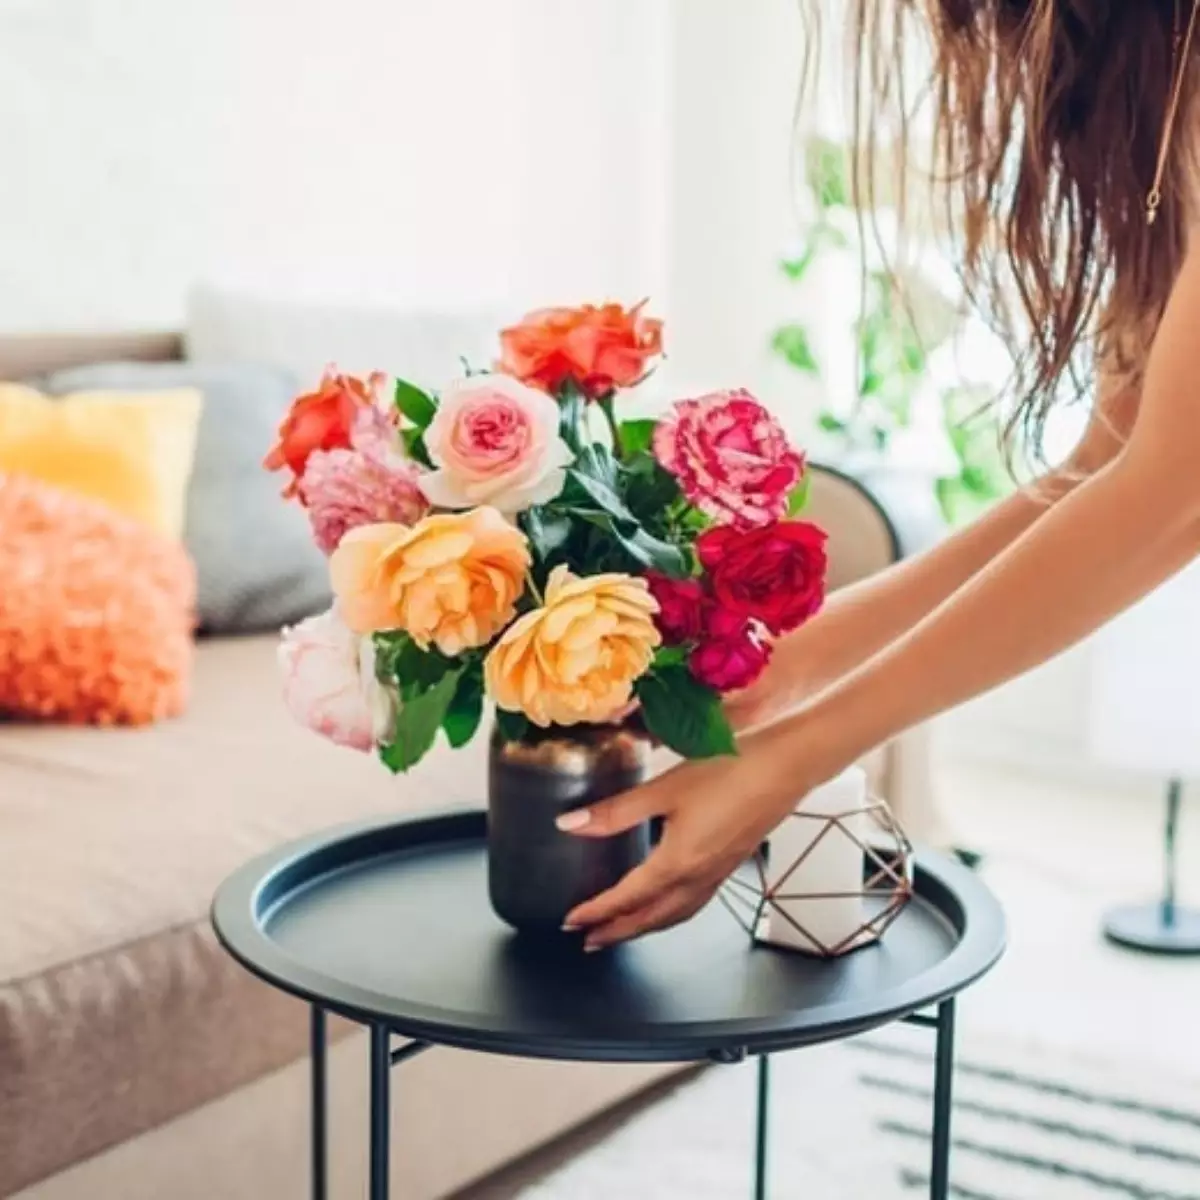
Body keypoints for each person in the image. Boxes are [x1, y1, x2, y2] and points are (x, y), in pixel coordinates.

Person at [560, 0, 1200, 951]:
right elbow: (1100, 467)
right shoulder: (1160, 84)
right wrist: (795, 665)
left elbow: (1170, 496)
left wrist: (790, 757)